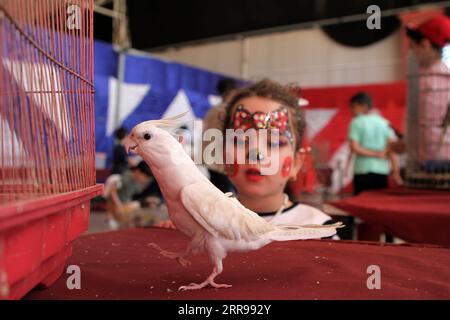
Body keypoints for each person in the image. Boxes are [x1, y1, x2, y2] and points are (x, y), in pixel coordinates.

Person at [158, 80, 342, 238]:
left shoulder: (318, 230)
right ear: (223, 153)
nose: (255, 154)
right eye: (240, 140)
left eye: (274, 143)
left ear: (296, 163)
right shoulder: (201, 223)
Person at [406, 15, 450, 169]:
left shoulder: (429, 81)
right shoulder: (444, 76)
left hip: (433, 162)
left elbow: (426, 126)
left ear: (425, 44)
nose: (412, 53)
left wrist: (406, 144)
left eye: (413, 47)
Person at [347, 92, 402, 195]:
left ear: (363, 106)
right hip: (382, 171)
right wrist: (396, 172)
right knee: (378, 204)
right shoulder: (384, 122)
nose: (351, 110)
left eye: (353, 107)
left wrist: (376, 154)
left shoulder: (356, 122)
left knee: (360, 205)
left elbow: (355, 147)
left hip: (362, 170)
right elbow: (392, 149)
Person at [104, 161, 166, 229]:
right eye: (145, 178)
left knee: (147, 208)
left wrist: (146, 200)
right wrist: (119, 206)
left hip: (126, 205)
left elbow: (135, 197)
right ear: (138, 172)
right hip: (117, 207)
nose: (145, 181)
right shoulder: (125, 177)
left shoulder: (136, 183)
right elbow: (112, 192)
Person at [202, 78, 237, 193]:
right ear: (231, 92)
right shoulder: (228, 112)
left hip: (211, 160)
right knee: (223, 195)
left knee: (216, 193)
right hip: (221, 163)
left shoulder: (212, 111)